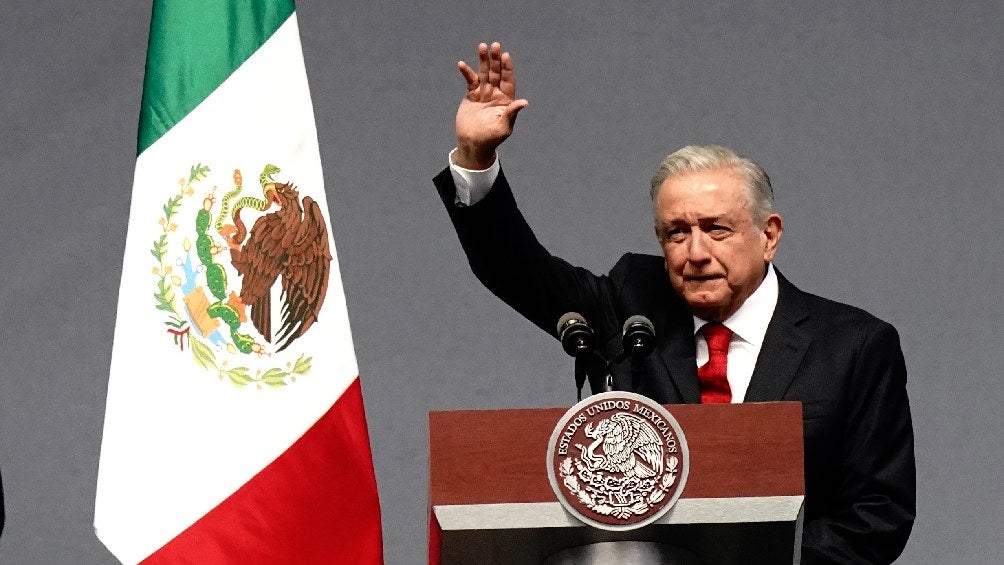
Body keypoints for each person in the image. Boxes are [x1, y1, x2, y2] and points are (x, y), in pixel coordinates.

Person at [433, 42, 916, 563]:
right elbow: (517, 272)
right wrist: (477, 159)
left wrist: (757, 555)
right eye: (676, 233)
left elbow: (878, 514)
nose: (697, 253)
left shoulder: (853, 345)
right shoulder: (630, 302)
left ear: (769, 235)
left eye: (717, 229)